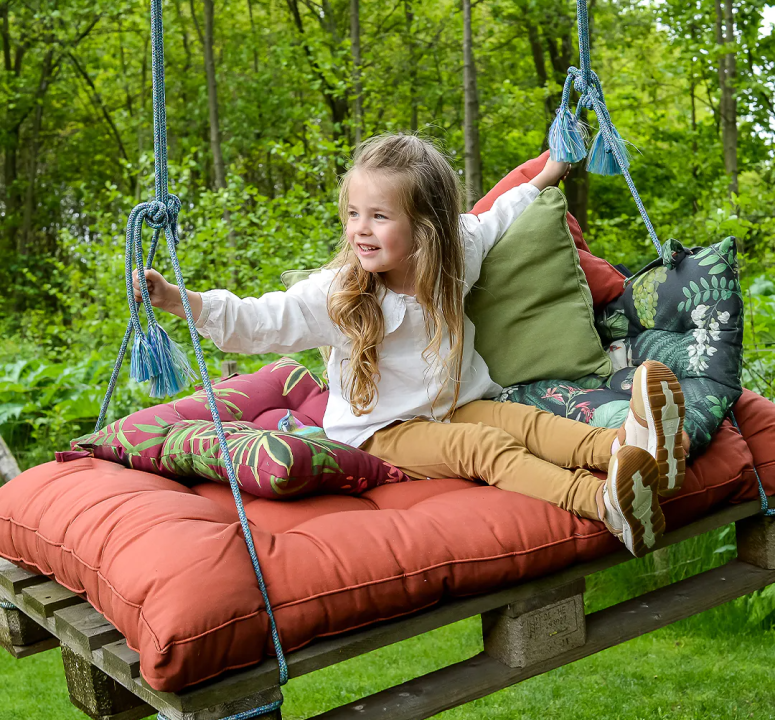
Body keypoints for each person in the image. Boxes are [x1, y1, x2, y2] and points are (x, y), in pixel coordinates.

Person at [133, 133, 686, 558]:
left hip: (458, 400)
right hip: (384, 432)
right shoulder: (341, 294)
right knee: (486, 449)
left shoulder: (457, 254)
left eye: (378, 216)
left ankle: (628, 451)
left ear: (427, 228)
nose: (360, 230)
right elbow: (261, 321)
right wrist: (181, 300)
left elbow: (500, 215)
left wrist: (553, 168)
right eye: (353, 214)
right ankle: (602, 504)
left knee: (523, 422)